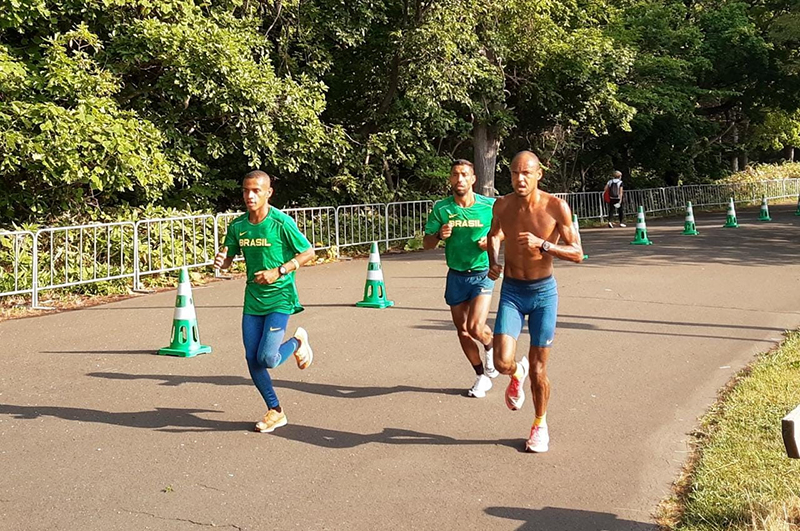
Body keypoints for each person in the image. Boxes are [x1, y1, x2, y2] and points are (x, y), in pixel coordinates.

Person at [487, 151, 584, 453]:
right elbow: (494, 234)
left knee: (540, 371)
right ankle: (517, 373)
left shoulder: (556, 207)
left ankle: (539, 424)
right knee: (502, 362)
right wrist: (493, 260)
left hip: (543, 294)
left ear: (539, 174)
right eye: (515, 173)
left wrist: (543, 244)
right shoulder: (502, 204)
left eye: (526, 173)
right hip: (512, 292)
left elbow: (578, 252)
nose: (520, 179)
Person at [213, 170, 316, 433]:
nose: (250, 196)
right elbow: (228, 258)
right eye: (246, 190)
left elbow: (308, 252)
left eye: (256, 191)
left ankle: (296, 342)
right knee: (252, 358)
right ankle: (276, 411)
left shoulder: (281, 222)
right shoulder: (238, 226)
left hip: (280, 297)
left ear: (268, 193)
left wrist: (279, 271)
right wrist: (222, 262)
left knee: (268, 358)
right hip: (253, 300)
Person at [423, 159, 500, 398]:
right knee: (463, 331)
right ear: (450, 179)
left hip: (482, 273)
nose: (460, 179)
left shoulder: (489, 206)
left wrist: (491, 242)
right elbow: (426, 244)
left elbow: (504, 229)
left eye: (465, 175)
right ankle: (481, 377)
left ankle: (490, 350)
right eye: (455, 175)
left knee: (476, 327)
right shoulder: (442, 208)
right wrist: (439, 234)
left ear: (473, 179)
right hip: (456, 275)